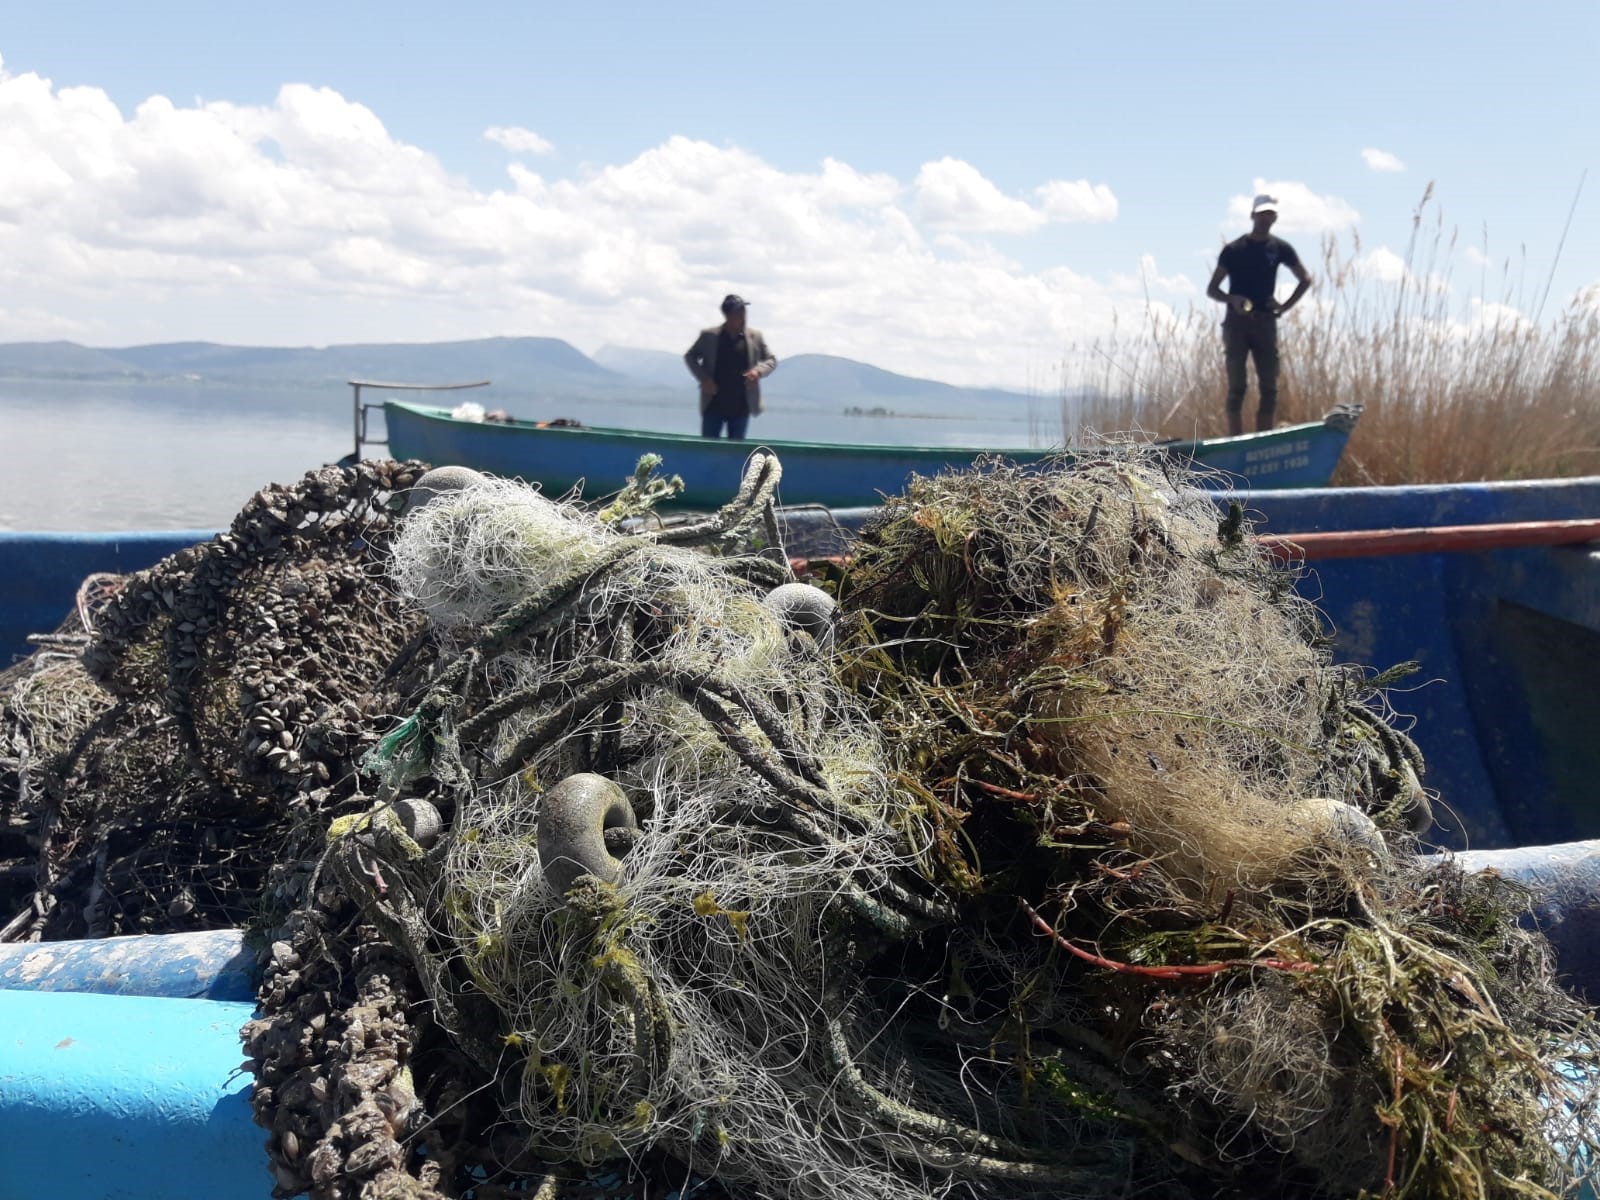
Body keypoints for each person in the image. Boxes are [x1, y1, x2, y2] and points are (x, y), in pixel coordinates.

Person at [1206, 193, 1313, 436]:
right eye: (1262, 214)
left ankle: (1263, 440)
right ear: (1253, 215)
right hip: (1236, 324)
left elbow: (1305, 279)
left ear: (1274, 217)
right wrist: (1231, 299)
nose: (1265, 218)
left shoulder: (1280, 248)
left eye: (1270, 214)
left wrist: (1284, 306)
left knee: (1269, 386)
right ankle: (1236, 440)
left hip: (1266, 323)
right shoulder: (1234, 250)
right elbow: (1212, 289)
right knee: (1237, 386)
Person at [683, 295, 777, 439]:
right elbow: (690, 356)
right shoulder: (710, 336)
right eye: (737, 311)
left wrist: (757, 372)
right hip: (713, 404)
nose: (742, 314)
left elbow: (771, 360)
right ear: (727, 314)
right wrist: (704, 379)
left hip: (741, 406)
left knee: (735, 453)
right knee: (708, 449)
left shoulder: (754, 336)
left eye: (743, 310)